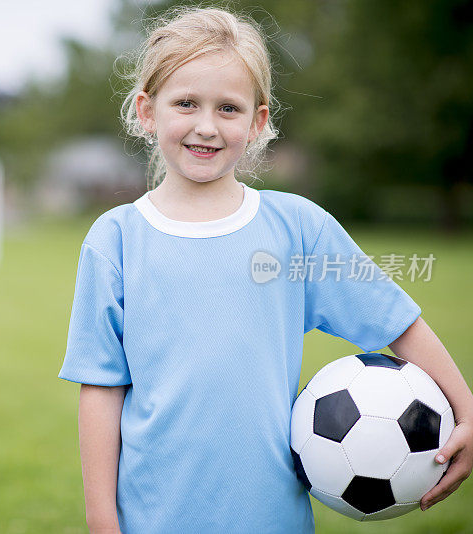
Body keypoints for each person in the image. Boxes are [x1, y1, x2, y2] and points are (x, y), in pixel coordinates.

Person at [57, 5, 473, 534]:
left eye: (228, 108)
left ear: (257, 121)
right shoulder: (114, 239)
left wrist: (467, 409)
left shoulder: (297, 227)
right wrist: (102, 522)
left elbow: (396, 320)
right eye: (185, 102)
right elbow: (100, 387)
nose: (206, 126)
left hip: (272, 520)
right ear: (146, 110)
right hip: (150, 519)